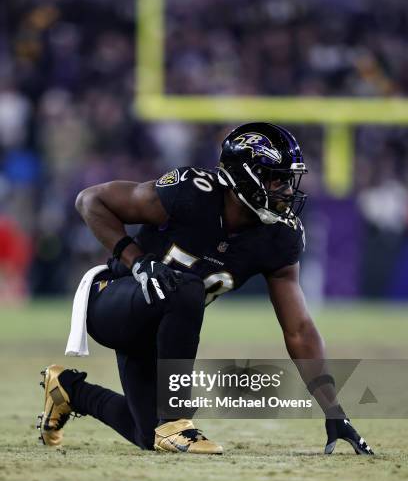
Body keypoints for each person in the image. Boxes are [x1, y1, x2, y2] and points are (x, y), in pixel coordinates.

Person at [37, 122, 374, 455]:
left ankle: (67, 390)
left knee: (147, 435)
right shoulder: (190, 192)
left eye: (289, 180)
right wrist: (137, 260)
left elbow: (299, 329)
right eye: (276, 179)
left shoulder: (279, 236)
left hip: (158, 334)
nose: (286, 191)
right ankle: (176, 420)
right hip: (113, 299)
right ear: (243, 177)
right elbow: (90, 200)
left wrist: (333, 409)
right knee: (186, 289)